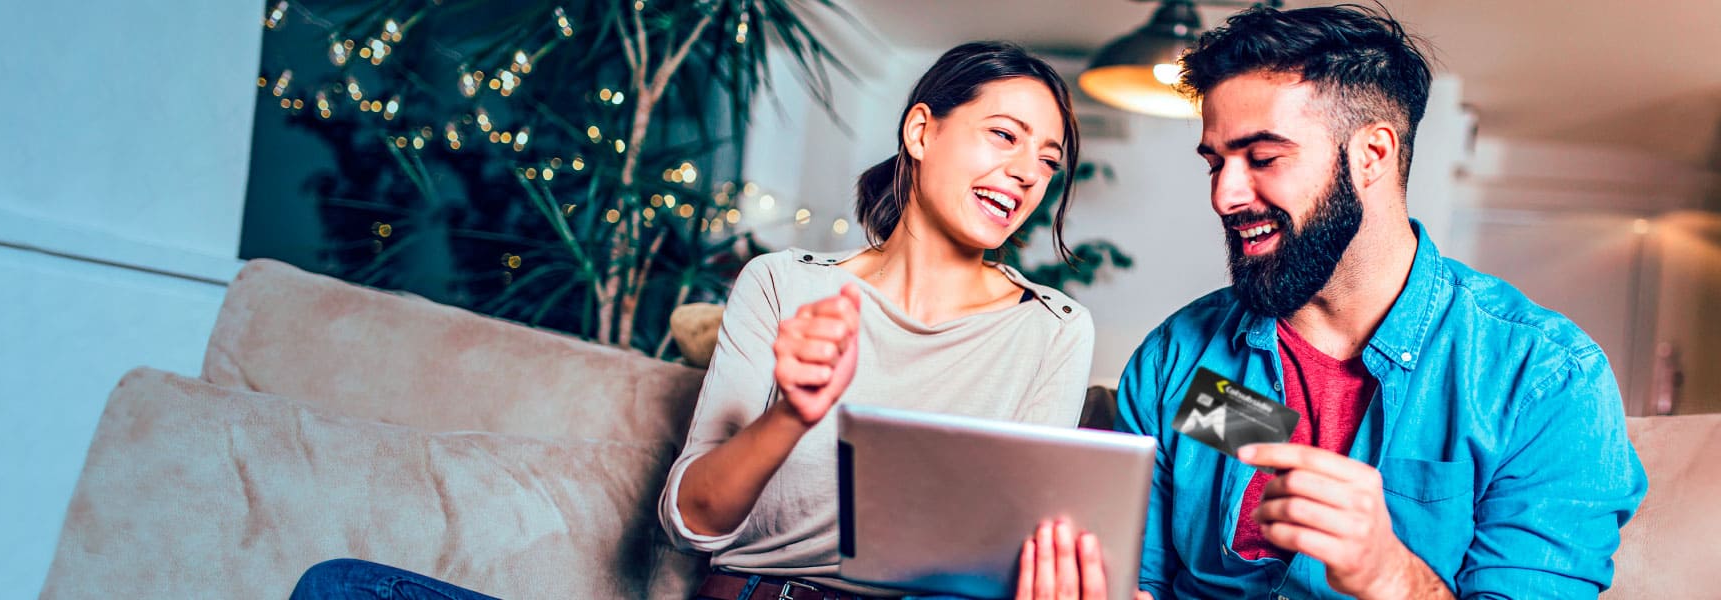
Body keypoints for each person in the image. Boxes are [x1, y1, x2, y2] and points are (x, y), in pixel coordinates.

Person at [293, 40, 1101, 599]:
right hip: (744, 593)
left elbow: (1006, 557)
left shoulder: (1053, 329)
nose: (1026, 173)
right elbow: (690, 520)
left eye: (1048, 161)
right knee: (344, 588)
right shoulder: (784, 284)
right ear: (922, 130)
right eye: (1005, 136)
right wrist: (792, 413)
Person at [1107, 5, 1646, 599]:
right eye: (1216, 163)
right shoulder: (1178, 361)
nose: (1225, 195)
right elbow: (1140, 574)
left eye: (1263, 158)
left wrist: (1390, 575)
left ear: (1372, 154)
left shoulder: (1543, 379)